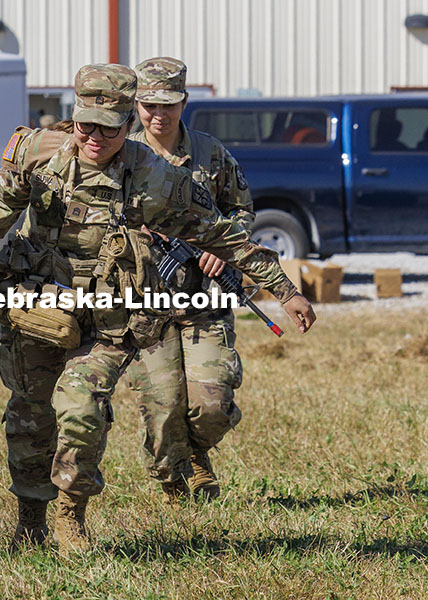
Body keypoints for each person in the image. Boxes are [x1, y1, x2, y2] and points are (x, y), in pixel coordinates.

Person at [0, 63, 315, 556]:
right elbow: (6, 195)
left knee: (79, 411)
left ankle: (69, 515)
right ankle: (29, 520)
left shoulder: (154, 177)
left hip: (105, 320)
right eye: (86, 126)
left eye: (110, 127)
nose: (96, 137)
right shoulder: (37, 149)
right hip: (36, 309)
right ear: (72, 118)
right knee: (30, 417)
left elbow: (220, 233)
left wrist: (284, 289)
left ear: (128, 123)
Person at [124, 57, 253, 503]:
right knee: (163, 409)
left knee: (211, 406)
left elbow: (242, 211)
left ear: (184, 102)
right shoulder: (122, 153)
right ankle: (174, 482)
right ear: (136, 103)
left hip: (205, 301)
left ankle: (197, 453)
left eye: (169, 105)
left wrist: (223, 249)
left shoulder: (211, 153)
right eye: (148, 105)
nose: (159, 115)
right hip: (144, 306)